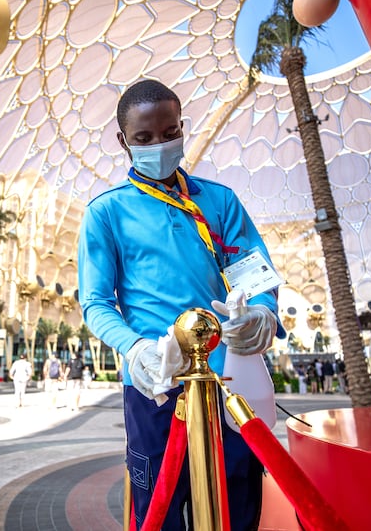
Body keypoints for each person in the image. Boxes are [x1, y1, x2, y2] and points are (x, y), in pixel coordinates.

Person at [78, 79, 283, 530]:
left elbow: (254, 272)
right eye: (143, 139)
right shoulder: (106, 212)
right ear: (123, 141)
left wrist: (263, 312)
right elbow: (94, 302)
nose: (159, 145)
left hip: (231, 382)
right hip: (155, 383)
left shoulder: (220, 201)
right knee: (160, 508)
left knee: (237, 504)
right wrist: (134, 349)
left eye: (169, 133)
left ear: (182, 128)